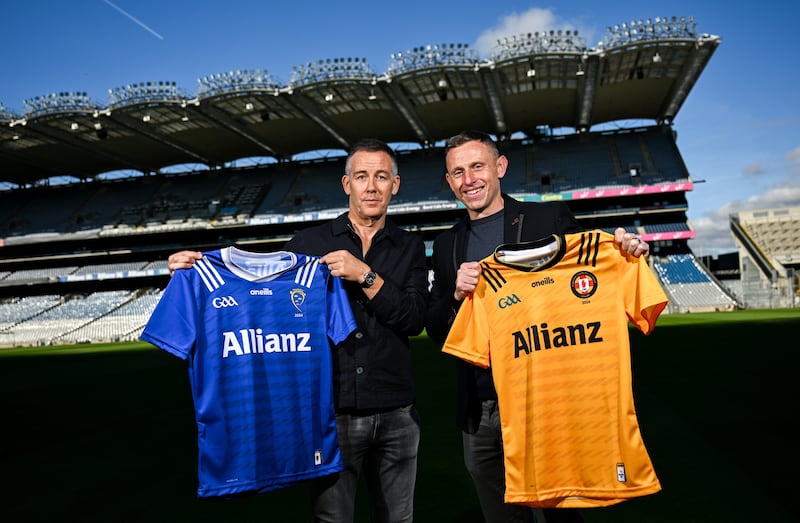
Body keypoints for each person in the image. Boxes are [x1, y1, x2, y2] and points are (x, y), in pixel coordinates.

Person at [167, 138, 429, 523]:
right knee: (332, 520)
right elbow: (262, 290)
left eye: (381, 177)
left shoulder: (410, 246)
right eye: (362, 177)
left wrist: (366, 276)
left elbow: (414, 318)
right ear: (347, 184)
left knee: (398, 520)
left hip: (398, 412)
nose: (371, 186)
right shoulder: (309, 244)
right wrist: (196, 267)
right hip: (330, 414)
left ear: (396, 184)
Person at [425, 130, 650, 523]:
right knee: (500, 512)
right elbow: (437, 330)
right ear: (449, 181)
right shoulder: (446, 246)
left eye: (477, 166)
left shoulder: (549, 218)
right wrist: (455, 298)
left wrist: (628, 254)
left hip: (543, 400)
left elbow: (585, 282)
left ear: (500, 167)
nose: (469, 179)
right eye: (457, 172)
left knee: (557, 512)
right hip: (480, 406)